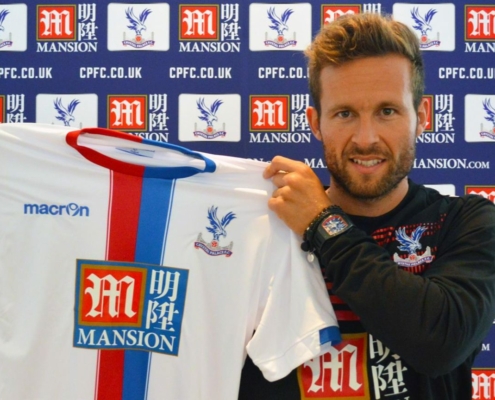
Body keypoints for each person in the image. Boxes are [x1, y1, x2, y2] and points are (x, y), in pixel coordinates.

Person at [238, 12, 495, 400]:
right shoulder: (258, 230)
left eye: (387, 111)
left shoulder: (466, 222)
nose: (365, 138)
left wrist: (322, 223)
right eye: (345, 114)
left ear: (421, 117)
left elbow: (440, 342)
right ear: (315, 123)